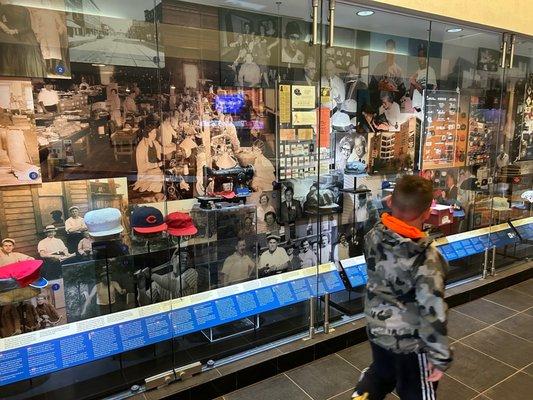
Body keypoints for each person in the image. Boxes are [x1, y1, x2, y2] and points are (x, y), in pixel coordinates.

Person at [352, 175, 452, 400]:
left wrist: (391, 203)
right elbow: (433, 311)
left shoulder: (374, 236)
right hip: (411, 343)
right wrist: (440, 357)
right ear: (427, 213)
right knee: (417, 392)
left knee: (381, 373)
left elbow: (384, 219)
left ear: (390, 202)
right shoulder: (427, 259)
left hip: (377, 328)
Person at [0, 1, 46, 77]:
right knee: (10, 46)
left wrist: (16, 31)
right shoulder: (4, 7)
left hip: (25, 33)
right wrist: (6, 29)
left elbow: (28, 26)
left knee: (31, 48)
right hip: (9, 32)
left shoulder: (25, 9)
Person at [133, 124, 164, 194]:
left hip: (155, 171)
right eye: (152, 133)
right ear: (147, 133)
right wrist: (156, 165)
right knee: (160, 186)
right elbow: (142, 166)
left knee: (168, 180)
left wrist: (176, 147)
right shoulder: (141, 146)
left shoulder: (155, 143)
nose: (154, 135)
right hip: (145, 174)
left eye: (155, 133)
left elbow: (163, 150)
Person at [410, 45, 437, 112]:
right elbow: (411, 96)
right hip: (417, 108)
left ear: (426, 58)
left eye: (422, 56)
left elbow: (428, 93)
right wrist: (412, 84)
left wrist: (415, 83)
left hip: (426, 108)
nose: (420, 59)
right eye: (419, 56)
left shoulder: (430, 71)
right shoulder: (417, 72)